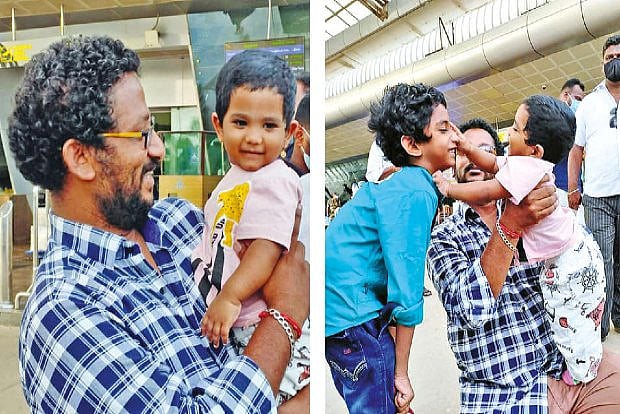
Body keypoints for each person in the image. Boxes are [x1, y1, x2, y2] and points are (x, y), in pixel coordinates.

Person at [10, 35, 309, 413]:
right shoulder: (63, 313)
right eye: (141, 135)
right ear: (81, 157)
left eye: (153, 130)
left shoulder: (179, 221)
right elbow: (288, 292)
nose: (159, 149)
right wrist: (283, 317)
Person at [427, 117, 620, 413]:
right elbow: (469, 312)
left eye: (484, 150)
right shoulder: (444, 237)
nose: (473, 157)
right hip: (504, 392)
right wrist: (510, 225)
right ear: (453, 164)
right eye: (463, 152)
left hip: (565, 365)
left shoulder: (535, 201)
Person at [325, 83, 457, 414]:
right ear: (412, 144)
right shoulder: (416, 192)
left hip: (337, 314)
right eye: (444, 129)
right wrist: (401, 373)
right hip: (354, 317)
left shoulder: (399, 185)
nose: (455, 137)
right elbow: (406, 291)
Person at [191, 49, 309, 406]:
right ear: (218, 126)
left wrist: (230, 296)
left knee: (272, 399)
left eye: (269, 126)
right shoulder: (236, 178)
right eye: (241, 123)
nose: (254, 137)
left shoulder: (276, 179)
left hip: (258, 321)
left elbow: (267, 247)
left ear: (289, 133)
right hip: (238, 321)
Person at [568, 34, 620, 341]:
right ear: (602, 63)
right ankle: (600, 326)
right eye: (609, 57)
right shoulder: (589, 104)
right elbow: (576, 151)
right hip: (597, 197)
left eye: (619, 56)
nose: (614, 61)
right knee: (602, 261)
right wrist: (573, 188)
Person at [556, 78, 585, 223]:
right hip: (560, 192)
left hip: (577, 193)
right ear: (566, 96)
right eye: (578, 99)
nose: (580, 104)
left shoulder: (576, 124)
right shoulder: (552, 122)